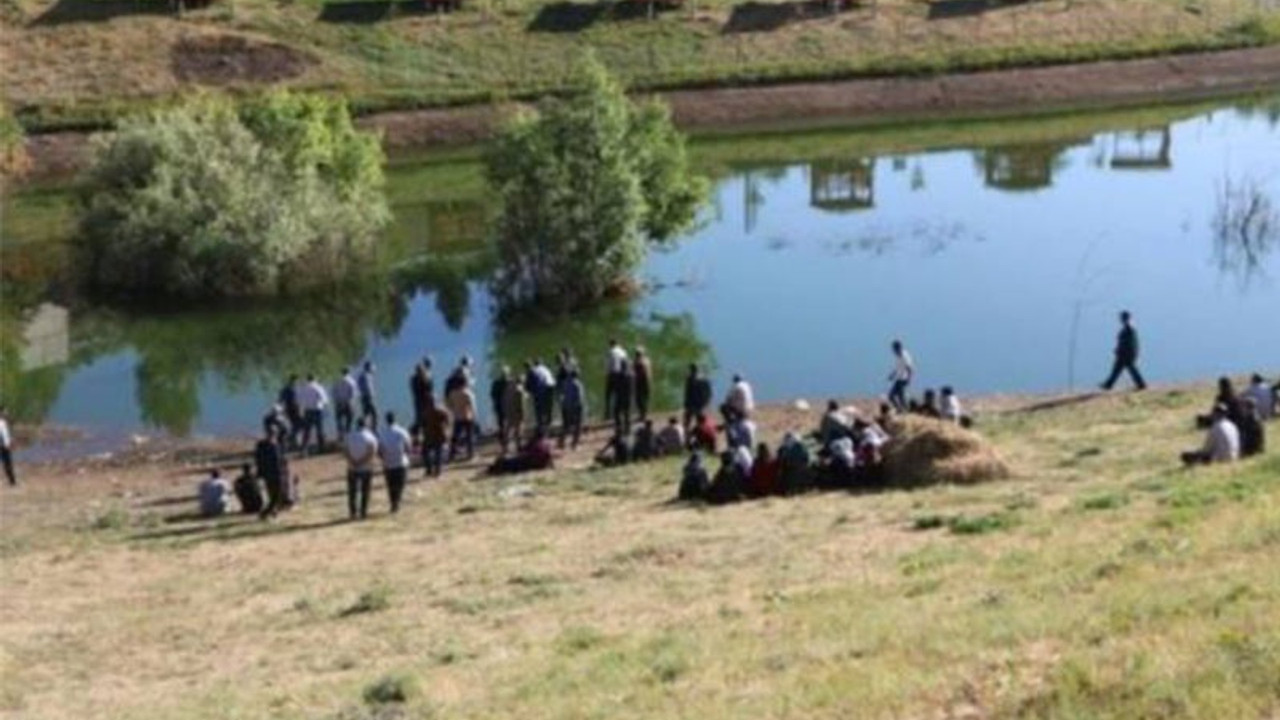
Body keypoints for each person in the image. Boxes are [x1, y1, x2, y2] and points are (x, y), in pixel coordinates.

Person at [1100, 310, 1146, 391]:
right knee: (1118, 370)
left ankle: (1141, 385)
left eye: (1121, 318)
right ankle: (1108, 385)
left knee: (1126, 369)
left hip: (1126, 355)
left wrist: (1121, 351)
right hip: (1125, 354)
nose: (1120, 320)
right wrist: (1118, 349)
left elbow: (1129, 343)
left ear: (1125, 318)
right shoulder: (1128, 328)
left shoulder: (1129, 329)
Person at [345, 418, 379, 520]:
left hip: (352, 467)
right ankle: (363, 512)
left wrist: (353, 461)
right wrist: (361, 462)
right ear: (366, 425)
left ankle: (353, 512)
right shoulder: (370, 437)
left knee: (352, 492)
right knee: (365, 491)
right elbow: (372, 452)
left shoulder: (349, 436)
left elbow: (345, 450)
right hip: (366, 467)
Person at [379, 412, 412, 514]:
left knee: (391, 485)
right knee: (400, 484)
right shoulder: (402, 431)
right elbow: (408, 446)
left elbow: (379, 449)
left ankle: (393, 502)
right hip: (401, 462)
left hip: (388, 463)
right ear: (395, 419)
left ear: (386, 420)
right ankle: (397, 502)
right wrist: (406, 454)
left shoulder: (382, 432)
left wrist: (383, 458)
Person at [254, 428, 289, 519]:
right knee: (276, 495)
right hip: (274, 474)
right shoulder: (268, 446)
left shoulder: (270, 445)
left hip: (271, 474)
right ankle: (265, 513)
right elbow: (276, 461)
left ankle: (274, 512)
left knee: (274, 494)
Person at [488, 430, 555, 475]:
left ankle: (495, 468)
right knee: (509, 463)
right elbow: (549, 457)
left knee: (508, 463)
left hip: (528, 463)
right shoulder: (547, 444)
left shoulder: (534, 443)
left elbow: (522, 450)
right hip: (539, 465)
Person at [298, 374, 330, 455]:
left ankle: (303, 449)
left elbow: (300, 400)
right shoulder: (318, 387)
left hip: (307, 411)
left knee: (307, 431)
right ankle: (321, 448)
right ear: (314, 378)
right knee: (319, 430)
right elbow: (325, 400)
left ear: (307, 379)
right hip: (317, 410)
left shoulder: (303, 388)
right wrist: (325, 407)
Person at [421, 394, 451, 479]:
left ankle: (431, 470)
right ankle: (436, 471)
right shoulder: (441, 410)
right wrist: (447, 429)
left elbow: (423, 423)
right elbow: (448, 420)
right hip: (438, 435)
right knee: (436, 453)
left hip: (432, 435)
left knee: (427, 453)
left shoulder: (426, 411)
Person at [446, 380, 477, 461]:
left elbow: (449, 405)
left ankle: (451, 455)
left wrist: (453, 411)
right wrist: (474, 415)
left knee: (455, 437)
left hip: (457, 416)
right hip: (468, 416)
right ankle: (470, 454)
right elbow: (473, 406)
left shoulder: (452, 393)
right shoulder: (468, 393)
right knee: (469, 436)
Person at [560, 369, 587, 450]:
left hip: (567, 407)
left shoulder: (566, 383)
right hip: (577, 407)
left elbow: (563, 395)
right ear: (577, 375)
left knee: (567, 426)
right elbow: (580, 398)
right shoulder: (578, 384)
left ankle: (561, 442)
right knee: (578, 426)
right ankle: (574, 445)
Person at [501, 378, 528, 453]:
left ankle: (506, 447)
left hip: (509, 412)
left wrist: (506, 412)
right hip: (517, 413)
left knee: (509, 430)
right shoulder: (519, 390)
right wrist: (523, 414)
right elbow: (521, 404)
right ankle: (519, 446)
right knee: (519, 430)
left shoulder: (507, 390)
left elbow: (503, 402)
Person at [887, 340, 915, 412]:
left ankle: (905, 411)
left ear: (898, 348)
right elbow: (898, 367)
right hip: (899, 378)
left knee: (901, 397)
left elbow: (910, 368)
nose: (893, 351)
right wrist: (892, 375)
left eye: (894, 349)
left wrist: (909, 379)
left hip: (903, 379)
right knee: (892, 396)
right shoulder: (898, 356)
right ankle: (900, 409)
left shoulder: (905, 356)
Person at [410, 360, 433, 445]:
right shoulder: (425, 378)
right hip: (425, 401)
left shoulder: (413, 379)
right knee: (426, 420)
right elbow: (430, 390)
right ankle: (425, 437)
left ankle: (418, 438)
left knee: (418, 418)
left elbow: (413, 390)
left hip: (417, 400)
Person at [683, 364, 713, 430]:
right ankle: (700, 433)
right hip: (700, 403)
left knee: (688, 421)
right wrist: (707, 402)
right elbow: (708, 392)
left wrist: (686, 403)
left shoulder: (690, 379)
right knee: (699, 420)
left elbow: (687, 392)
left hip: (692, 403)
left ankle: (686, 433)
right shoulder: (704, 378)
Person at [604, 340, 628, 422]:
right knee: (619, 395)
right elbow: (626, 363)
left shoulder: (611, 351)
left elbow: (609, 364)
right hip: (621, 375)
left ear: (611, 344)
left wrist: (607, 374)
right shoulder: (623, 351)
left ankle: (608, 414)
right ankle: (619, 412)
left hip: (613, 374)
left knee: (608, 395)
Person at [279, 374, 304, 449]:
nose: (298, 382)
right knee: (299, 425)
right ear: (295, 380)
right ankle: (292, 440)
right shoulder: (296, 389)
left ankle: (293, 442)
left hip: (288, 409)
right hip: (295, 409)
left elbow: (280, 400)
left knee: (294, 425)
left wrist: (282, 410)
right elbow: (299, 400)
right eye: (297, 381)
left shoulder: (285, 389)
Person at [332, 367, 357, 436]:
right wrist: (352, 403)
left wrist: (336, 401)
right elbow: (353, 394)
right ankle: (348, 434)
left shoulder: (337, 381)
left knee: (339, 420)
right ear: (348, 372)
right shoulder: (351, 381)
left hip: (339, 403)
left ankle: (340, 434)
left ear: (341, 372)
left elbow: (333, 393)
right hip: (348, 403)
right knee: (349, 420)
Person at [490, 366, 511, 448]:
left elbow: (492, 395)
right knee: (508, 424)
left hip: (499, 406)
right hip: (507, 406)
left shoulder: (495, 383)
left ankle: (503, 441)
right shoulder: (510, 382)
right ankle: (506, 440)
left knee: (501, 424)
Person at [613, 358, 635, 436]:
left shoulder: (619, 375)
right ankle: (628, 430)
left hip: (621, 397)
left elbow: (616, 387)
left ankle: (619, 428)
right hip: (629, 397)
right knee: (627, 414)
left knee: (617, 413)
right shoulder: (632, 375)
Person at [357, 361, 378, 429]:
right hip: (368, 397)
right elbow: (368, 388)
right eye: (372, 368)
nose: (373, 370)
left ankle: (363, 428)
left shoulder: (362, 375)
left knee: (366, 414)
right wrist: (371, 397)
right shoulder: (367, 376)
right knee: (375, 414)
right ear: (369, 368)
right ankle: (374, 429)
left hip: (363, 397)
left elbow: (360, 387)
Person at [634, 348, 653, 423]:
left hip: (641, 382)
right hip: (647, 381)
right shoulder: (647, 360)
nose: (637, 355)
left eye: (637, 353)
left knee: (640, 399)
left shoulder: (638, 362)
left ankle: (642, 415)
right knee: (644, 398)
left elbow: (639, 373)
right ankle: (644, 414)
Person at [0, 405, 14, 486]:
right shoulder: (1, 423)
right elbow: (3, 435)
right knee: (7, 463)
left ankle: (12, 481)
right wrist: (6, 444)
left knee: (7, 463)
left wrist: (8, 443)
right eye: (5, 412)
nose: (6, 413)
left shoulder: (4, 423)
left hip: (4, 446)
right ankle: (12, 481)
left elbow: (6, 435)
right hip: (3, 446)